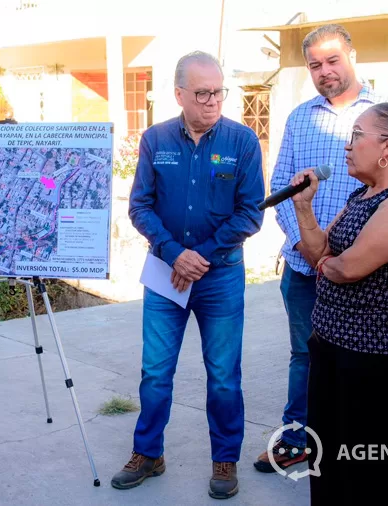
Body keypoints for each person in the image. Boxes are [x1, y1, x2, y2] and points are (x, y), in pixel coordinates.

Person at [112, 50, 265, 500]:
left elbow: (250, 212)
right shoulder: (156, 140)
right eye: (202, 93)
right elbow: (140, 206)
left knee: (223, 374)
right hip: (166, 275)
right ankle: (148, 453)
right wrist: (174, 254)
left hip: (220, 278)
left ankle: (225, 459)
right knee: (155, 372)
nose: (213, 101)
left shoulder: (242, 142)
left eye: (218, 92)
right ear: (179, 94)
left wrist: (199, 257)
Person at [255, 22, 388, 480]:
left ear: (352, 56)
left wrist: (352, 255)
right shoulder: (300, 118)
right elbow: (281, 186)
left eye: (333, 60)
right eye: (315, 65)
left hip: (365, 269)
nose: (324, 71)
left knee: (371, 360)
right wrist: (305, 244)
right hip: (304, 266)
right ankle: (297, 441)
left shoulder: (385, 114)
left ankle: (379, 451)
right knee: (306, 354)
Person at [290, 102, 388, 505]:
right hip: (333, 343)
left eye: (357, 135)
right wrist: (303, 206)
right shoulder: (365, 194)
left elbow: (348, 268)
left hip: (373, 353)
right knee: (326, 457)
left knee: (363, 467)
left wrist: (327, 263)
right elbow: (320, 251)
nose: (348, 145)